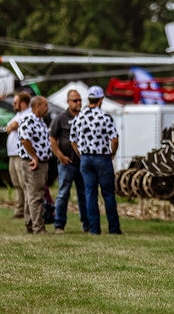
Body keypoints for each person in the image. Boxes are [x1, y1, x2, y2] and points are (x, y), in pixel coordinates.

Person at [69, 86, 122, 235]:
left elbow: (72, 141)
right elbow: (115, 139)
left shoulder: (79, 117)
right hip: (102, 158)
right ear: (100, 100)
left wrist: (81, 155)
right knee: (108, 194)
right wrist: (113, 152)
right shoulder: (105, 117)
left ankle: (94, 229)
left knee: (90, 194)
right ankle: (113, 228)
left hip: (86, 158)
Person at [50, 88, 88, 233]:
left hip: (82, 163)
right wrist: (60, 155)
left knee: (84, 194)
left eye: (80, 100)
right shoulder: (60, 118)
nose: (78, 103)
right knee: (63, 194)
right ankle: (59, 224)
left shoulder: (84, 117)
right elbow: (52, 139)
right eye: (75, 100)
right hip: (66, 163)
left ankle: (87, 225)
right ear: (68, 102)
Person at [18, 96, 53, 234]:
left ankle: (30, 224)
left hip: (41, 162)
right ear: (37, 106)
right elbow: (24, 140)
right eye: (45, 105)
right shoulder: (28, 120)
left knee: (31, 195)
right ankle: (38, 227)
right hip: (33, 164)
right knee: (36, 196)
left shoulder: (40, 121)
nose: (47, 108)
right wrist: (34, 156)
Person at [4, 90, 31, 220]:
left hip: (21, 154)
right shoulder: (18, 114)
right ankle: (20, 208)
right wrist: (10, 127)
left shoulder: (28, 114)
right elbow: (8, 127)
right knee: (16, 183)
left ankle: (27, 209)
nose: (14, 104)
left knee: (23, 182)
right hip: (13, 154)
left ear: (23, 103)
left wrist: (11, 127)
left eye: (16, 102)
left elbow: (12, 126)